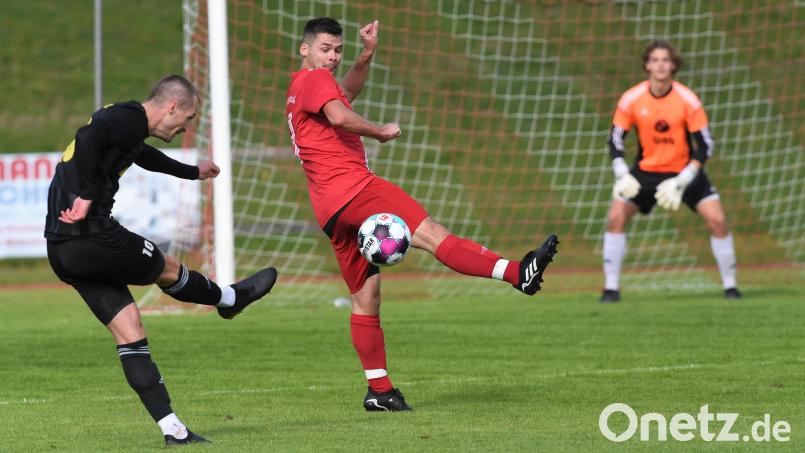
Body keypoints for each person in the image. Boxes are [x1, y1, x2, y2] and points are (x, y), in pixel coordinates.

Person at [285, 17, 558, 411]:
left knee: (365, 297)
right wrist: (380, 131)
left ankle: (379, 391)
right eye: (325, 49)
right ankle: (518, 273)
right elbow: (341, 115)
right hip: (356, 188)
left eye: (338, 50)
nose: (332, 57)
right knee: (432, 234)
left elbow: (345, 95)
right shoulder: (315, 80)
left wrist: (365, 56)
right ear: (305, 49)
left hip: (329, 209)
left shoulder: (301, 86)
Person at [45, 75, 278, 445]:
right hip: (92, 236)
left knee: (131, 332)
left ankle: (174, 431)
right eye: (188, 118)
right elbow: (86, 137)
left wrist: (192, 172)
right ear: (172, 107)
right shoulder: (129, 118)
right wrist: (87, 194)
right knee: (167, 268)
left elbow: (142, 155)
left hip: (61, 249)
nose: (186, 127)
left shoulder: (127, 127)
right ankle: (231, 299)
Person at [601, 40, 740, 303]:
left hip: (683, 172)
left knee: (718, 220)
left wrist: (684, 178)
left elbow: (705, 144)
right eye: (655, 60)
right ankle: (610, 288)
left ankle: (731, 287)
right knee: (616, 217)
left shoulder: (687, 99)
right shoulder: (631, 98)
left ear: (673, 65)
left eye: (665, 60)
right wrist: (621, 172)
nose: (660, 65)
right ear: (647, 65)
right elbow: (616, 139)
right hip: (645, 172)